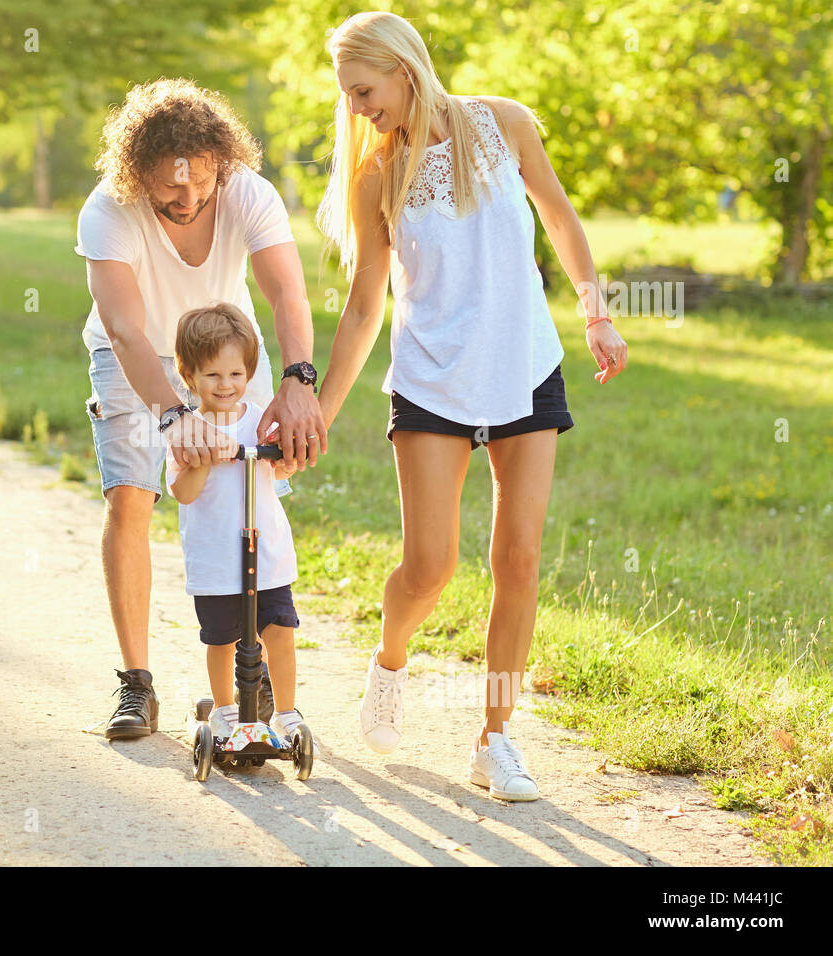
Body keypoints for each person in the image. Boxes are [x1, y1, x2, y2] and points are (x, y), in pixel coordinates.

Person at [313, 12, 628, 801]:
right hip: (433, 384)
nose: (357, 109)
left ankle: (496, 739)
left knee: (518, 559)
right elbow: (363, 309)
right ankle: (390, 663)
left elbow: (557, 214)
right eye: (349, 96)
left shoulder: (505, 124)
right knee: (430, 567)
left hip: (524, 369)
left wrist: (595, 312)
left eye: (364, 91)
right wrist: (319, 407)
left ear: (405, 68)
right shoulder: (377, 176)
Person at [75, 78, 327, 740]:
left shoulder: (246, 190)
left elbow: (286, 293)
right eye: (170, 189)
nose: (188, 201)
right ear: (136, 175)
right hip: (135, 355)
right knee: (131, 497)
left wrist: (299, 379)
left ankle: (253, 657)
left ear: (221, 161)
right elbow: (127, 332)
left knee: (249, 482)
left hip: (223, 353)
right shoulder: (108, 209)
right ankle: (137, 685)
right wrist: (172, 416)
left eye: (200, 185)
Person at [165, 304, 307, 743]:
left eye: (235, 375)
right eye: (212, 376)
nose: (225, 385)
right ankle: (225, 710)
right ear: (189, 377)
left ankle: (285, 711)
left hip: (265, 553)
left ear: (248, 373)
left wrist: (282, 458)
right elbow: (181, 492)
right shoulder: (188, 430)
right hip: (216, 557)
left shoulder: (260, 420)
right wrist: (203, 461)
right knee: (222, 638)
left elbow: (280, 473)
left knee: (279, 631)